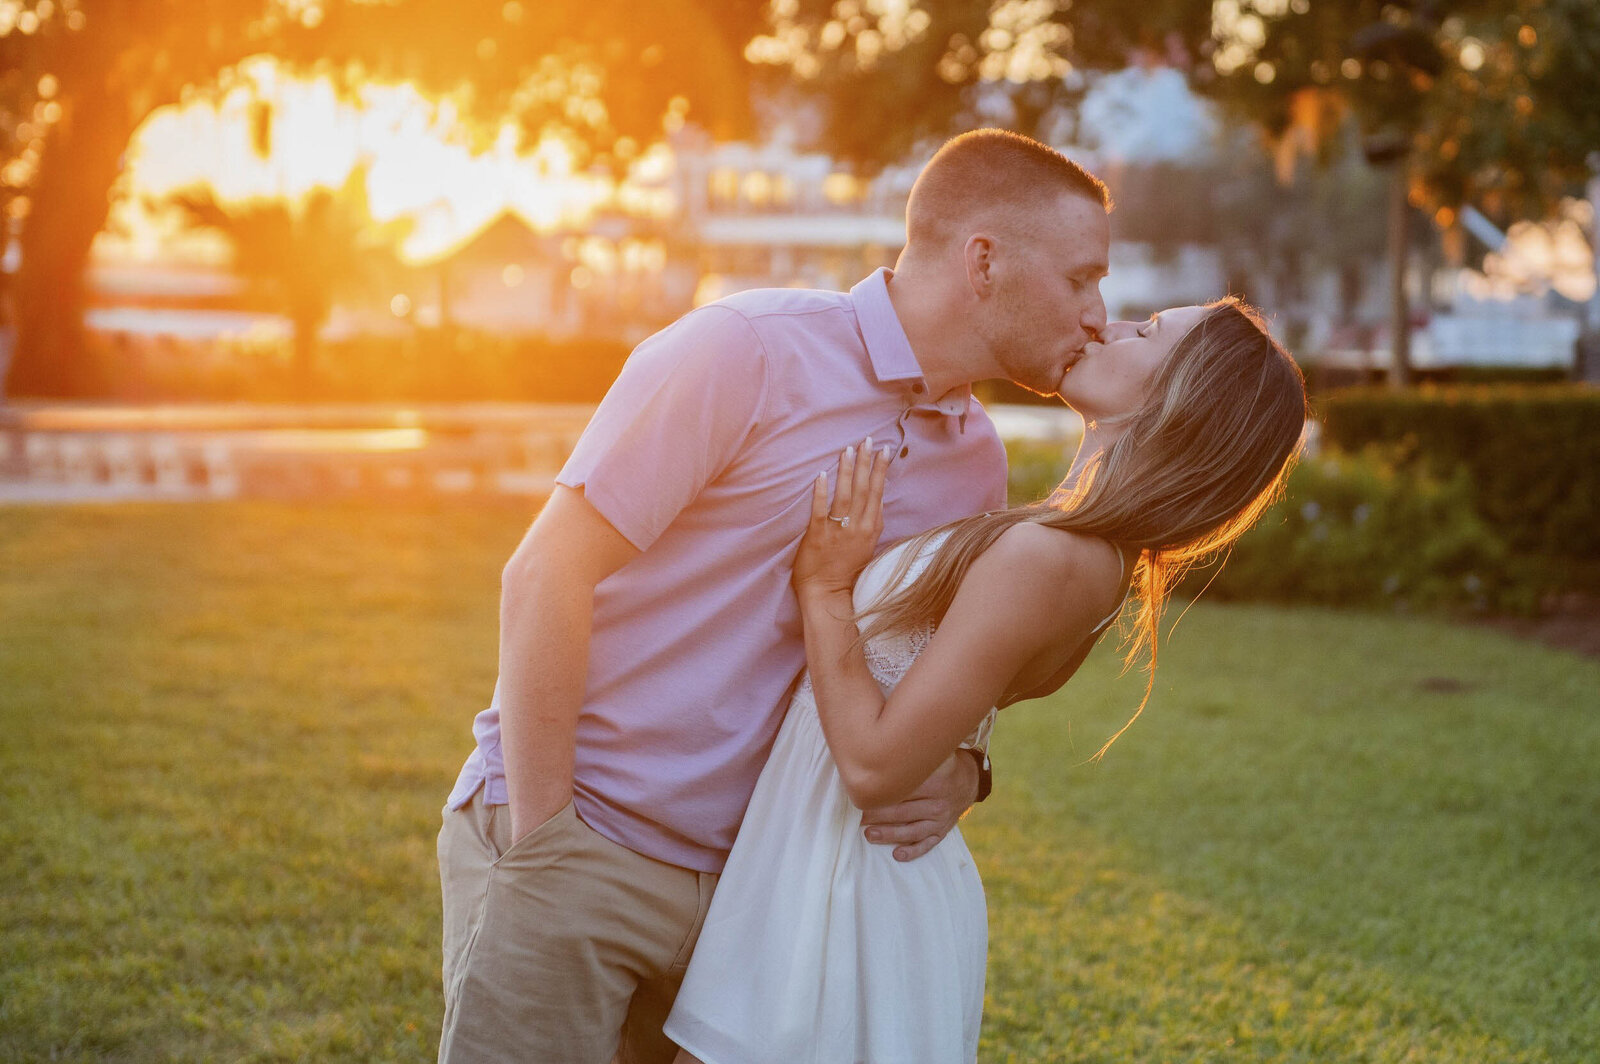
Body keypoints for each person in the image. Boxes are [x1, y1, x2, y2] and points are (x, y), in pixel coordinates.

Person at [436, 128, 1112, 1064]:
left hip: (764, 899)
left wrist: (963, 769)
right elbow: (545, 573)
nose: (1097, 311)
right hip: (583, 846)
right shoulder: (744, 349)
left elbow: (932, 665)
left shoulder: (976, 464)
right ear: (985, 260)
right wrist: (549, 837)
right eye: (1082, 278)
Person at [664, 298, 1308, 1063]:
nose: (1108, 324)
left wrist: (827, 590)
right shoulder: (1072, 544)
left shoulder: (1054, 556)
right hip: (824, 867)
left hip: (854, 889)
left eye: (1148, 332)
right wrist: (973, 772)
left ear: (1184, 400)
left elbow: (875, 767)